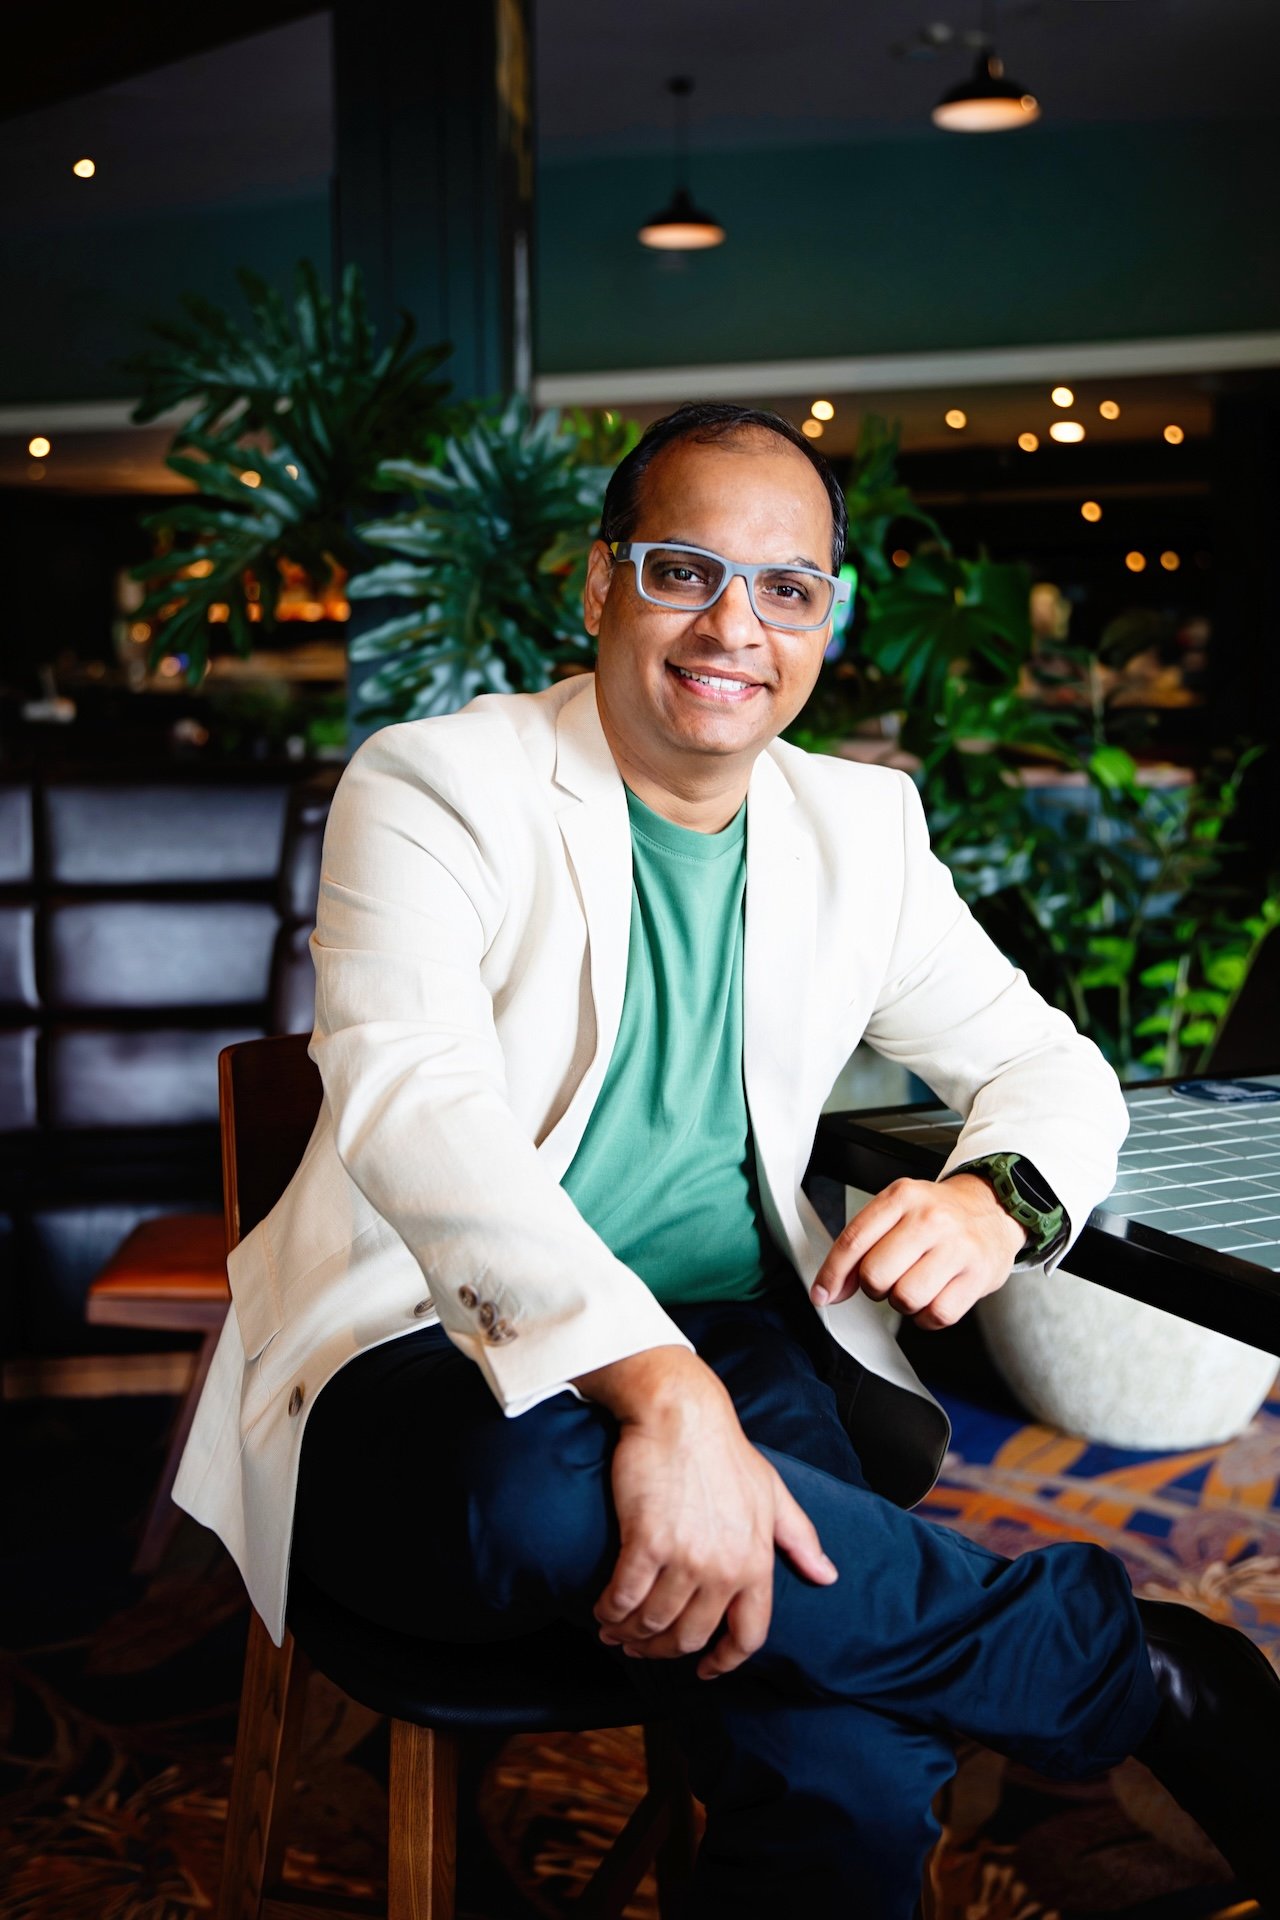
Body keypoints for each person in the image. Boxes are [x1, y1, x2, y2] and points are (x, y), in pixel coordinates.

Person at [176, 404, 1279, 1918]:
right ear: (599, 586)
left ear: (826, 614)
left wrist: (993, 1198)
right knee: (545, 1503)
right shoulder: (435, 785)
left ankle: (1091, 1659)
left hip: (746, 1346)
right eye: (685, 569)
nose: (733, 627)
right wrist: (656, 1389)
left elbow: (1053, 1070)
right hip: (424, 1358)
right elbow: (413, 1100)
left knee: (852, 1766)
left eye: (785, 588)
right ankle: (1140, 1670)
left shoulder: (862, 827)